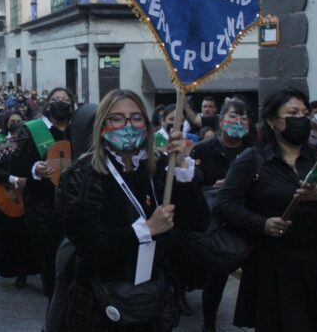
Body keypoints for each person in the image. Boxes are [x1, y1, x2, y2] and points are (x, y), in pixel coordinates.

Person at [56, 89, 209, 331]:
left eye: (136, 118)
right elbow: (91, 247)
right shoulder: (81, 177)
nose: (128, 125)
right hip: (101, 303)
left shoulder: (158, 170)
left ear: (147, 126)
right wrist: (145, 230)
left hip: (154, 299)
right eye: (117, 118)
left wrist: (180, 169)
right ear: (102, 126)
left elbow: (197, 223)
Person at [214, 88, 317, 331]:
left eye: (305, 113)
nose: (301, 119)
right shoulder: (253, 159)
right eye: (292, 113)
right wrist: (262, 223)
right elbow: (225, 204)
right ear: (272, 121)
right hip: (274, 269)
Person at [189, 99, 254, 332]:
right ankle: (209, 324)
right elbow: (191, 186)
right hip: (216, 226)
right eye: (234, 116)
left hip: (248, 221)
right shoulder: (204, 149)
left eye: (244, 117)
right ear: (221, 120)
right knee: (217, 277)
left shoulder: (254, 150)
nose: (238, 122)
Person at [11, 87, 75, 309]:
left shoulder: (78, 130)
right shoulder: (31, 130)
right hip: (43, 211)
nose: (60, 102)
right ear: (47, 104)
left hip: (76, 209)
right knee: (51, 269)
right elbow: (14, 162)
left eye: (65, 99)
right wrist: (35, 169)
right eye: (55, 99)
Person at [0, 110, 37, 288]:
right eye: (12, 120)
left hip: (31, 196)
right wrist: (14, 180)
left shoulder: (33, 144)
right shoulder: (1, 144)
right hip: (11, 195)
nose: (16, 123)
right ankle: (18, 271)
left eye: (19, 120)